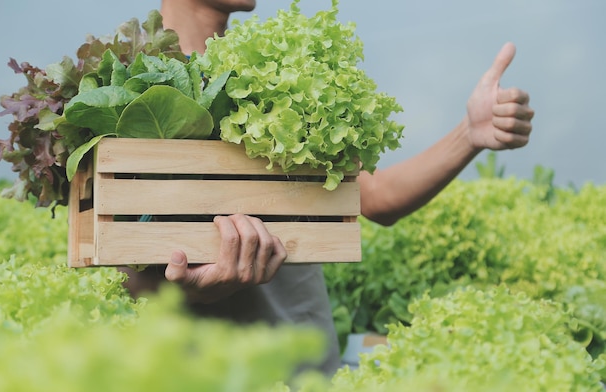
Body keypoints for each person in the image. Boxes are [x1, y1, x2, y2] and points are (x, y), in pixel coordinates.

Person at [121, 0, 535, 377]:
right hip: (204, 373)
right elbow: (123, 273)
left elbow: (373, 197)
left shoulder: (281, 72)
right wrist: (192, 290)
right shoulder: (126, 88)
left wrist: (471, 134)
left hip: (307, 368)